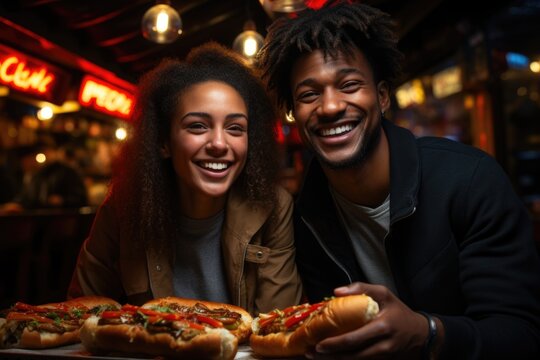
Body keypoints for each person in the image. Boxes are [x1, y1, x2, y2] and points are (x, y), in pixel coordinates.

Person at [258, 1, 540, 359]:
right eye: (309, 94)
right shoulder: (304, 218)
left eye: (349, 84)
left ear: (382, 95)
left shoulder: (469, 180)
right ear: (294, 114)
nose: (329, 107)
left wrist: (427, 332)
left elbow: (521, 335)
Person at [68, 42, 303, 315]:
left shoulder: (274, 207)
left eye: (235, 128)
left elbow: (277, 325)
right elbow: (78, 316)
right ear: (164, 142)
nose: (218, 143)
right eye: (198, 126)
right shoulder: (123, 206)